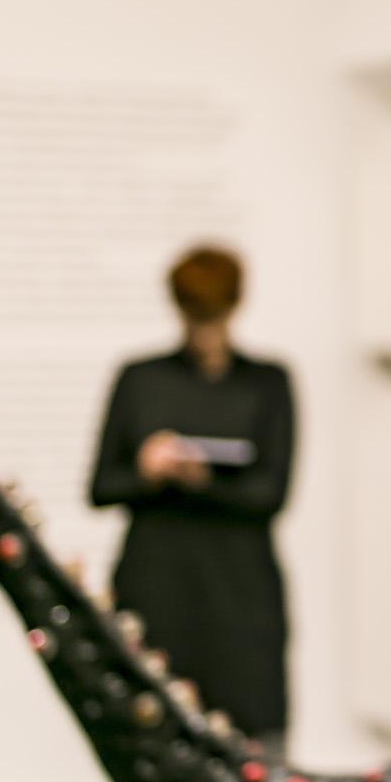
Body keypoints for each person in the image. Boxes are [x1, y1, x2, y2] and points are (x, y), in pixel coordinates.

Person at [89, 245, 295, 750]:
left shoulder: (266, 383)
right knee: (151, 736)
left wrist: (201, 481)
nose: (205, 328)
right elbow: (101, 486)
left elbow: (272, 492)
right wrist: (147, 472)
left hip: (239, 594)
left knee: (255, 738)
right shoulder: (142, 379)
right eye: (196, 313)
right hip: (159, 586)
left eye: (213, 314)